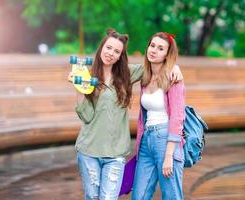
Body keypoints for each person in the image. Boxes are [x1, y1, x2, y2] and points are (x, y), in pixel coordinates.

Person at [68, 29, 182, 200]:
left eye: (117, 51)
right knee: (92, 197)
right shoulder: (88, 76)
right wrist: (79, 90)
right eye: (108, 48)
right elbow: (86, 117)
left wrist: (175, 66)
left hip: (116, 153)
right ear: (101, 48)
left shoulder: (127, 74)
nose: (111, 53)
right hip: (89, 149)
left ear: (121, 55)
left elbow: (156, 66)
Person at [132, 32, 186, 200]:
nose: (154, 50)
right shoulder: (145, 77)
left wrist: (169, 155)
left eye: (160, 48)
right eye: (152, 45)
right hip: (146, 140)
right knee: (139, 196)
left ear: (167, 54)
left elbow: (178, 117)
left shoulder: (173, 77)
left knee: (171, 195)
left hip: (166, 141)